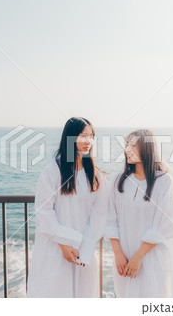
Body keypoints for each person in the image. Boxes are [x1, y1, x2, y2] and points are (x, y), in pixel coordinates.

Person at [26, 117, 107, 297]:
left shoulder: (95, 175)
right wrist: (64, 242)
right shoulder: (52, 171)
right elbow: (44, 211)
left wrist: (85, 243)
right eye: (82, 135)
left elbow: (100, 213)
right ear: (70, 137)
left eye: (91, 136)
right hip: (55, 247)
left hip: (83, 250)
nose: (88, 141)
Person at [105, 128, 173, 298]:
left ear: (147, 149)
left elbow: (164, 224)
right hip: (124, 260)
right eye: (127, 145)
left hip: (151, 259)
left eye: (133, 145)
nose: (128, 149)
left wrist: (138, 257)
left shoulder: (163, 181)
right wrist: (118, 254)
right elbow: (109, 219)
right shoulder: (118, 181)